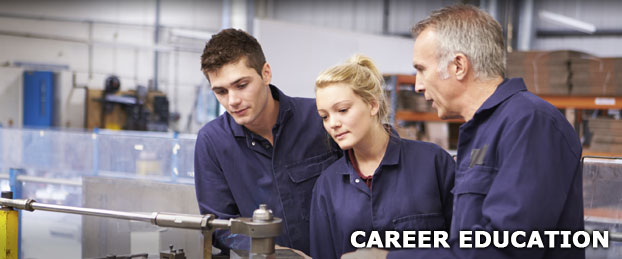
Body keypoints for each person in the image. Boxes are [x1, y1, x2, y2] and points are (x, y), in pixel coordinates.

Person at [344, 4, 584, 259]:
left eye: (421, 69)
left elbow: (505, 250)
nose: (417, 85)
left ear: (458, 65)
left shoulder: (531, 124)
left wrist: (389, 258)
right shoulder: (483, 130)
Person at [194, 28, 341, 255]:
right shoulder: (212, 142)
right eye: (221, 91)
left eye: (241, 85)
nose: (233, 101)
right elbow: (219, 227)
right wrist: (276, 254)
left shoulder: (320, 118)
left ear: (266, 73)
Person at [310, 54, 456, 259]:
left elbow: (466, 245)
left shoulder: (433, 164)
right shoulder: (327, 186)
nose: (332, 123)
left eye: (342, 110)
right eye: (325, 116)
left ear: (372, 105)